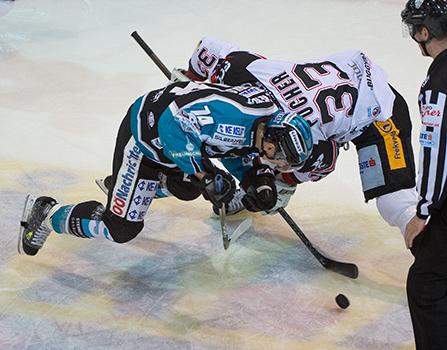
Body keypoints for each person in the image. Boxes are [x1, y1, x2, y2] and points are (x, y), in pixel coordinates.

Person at [18, 81, 314, 256]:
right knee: (121, 228)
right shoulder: (234, 120)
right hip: (146, 139)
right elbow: (172, 126)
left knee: (188, 188)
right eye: (282, 158)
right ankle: (45, 214)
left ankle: (126, 188)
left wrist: (253, 178)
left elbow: (230, 148)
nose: (280, 165)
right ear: (274, 138)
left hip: (170, 142)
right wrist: (206, 175)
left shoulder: (262, 122)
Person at [181, 37, 418, 234]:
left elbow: (325, 162)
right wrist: (189, 87)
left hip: (379, 114)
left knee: (394, 204)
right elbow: (208, 48)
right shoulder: (241, 72)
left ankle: (281, 186)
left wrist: (278, 180)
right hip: (333, 86)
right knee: (250, 140)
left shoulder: (314, 148)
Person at [401, 1, 447, 348]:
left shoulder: (438, 82)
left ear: (425, 31)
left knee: (425, 284)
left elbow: (435, 151)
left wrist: (423, 212)